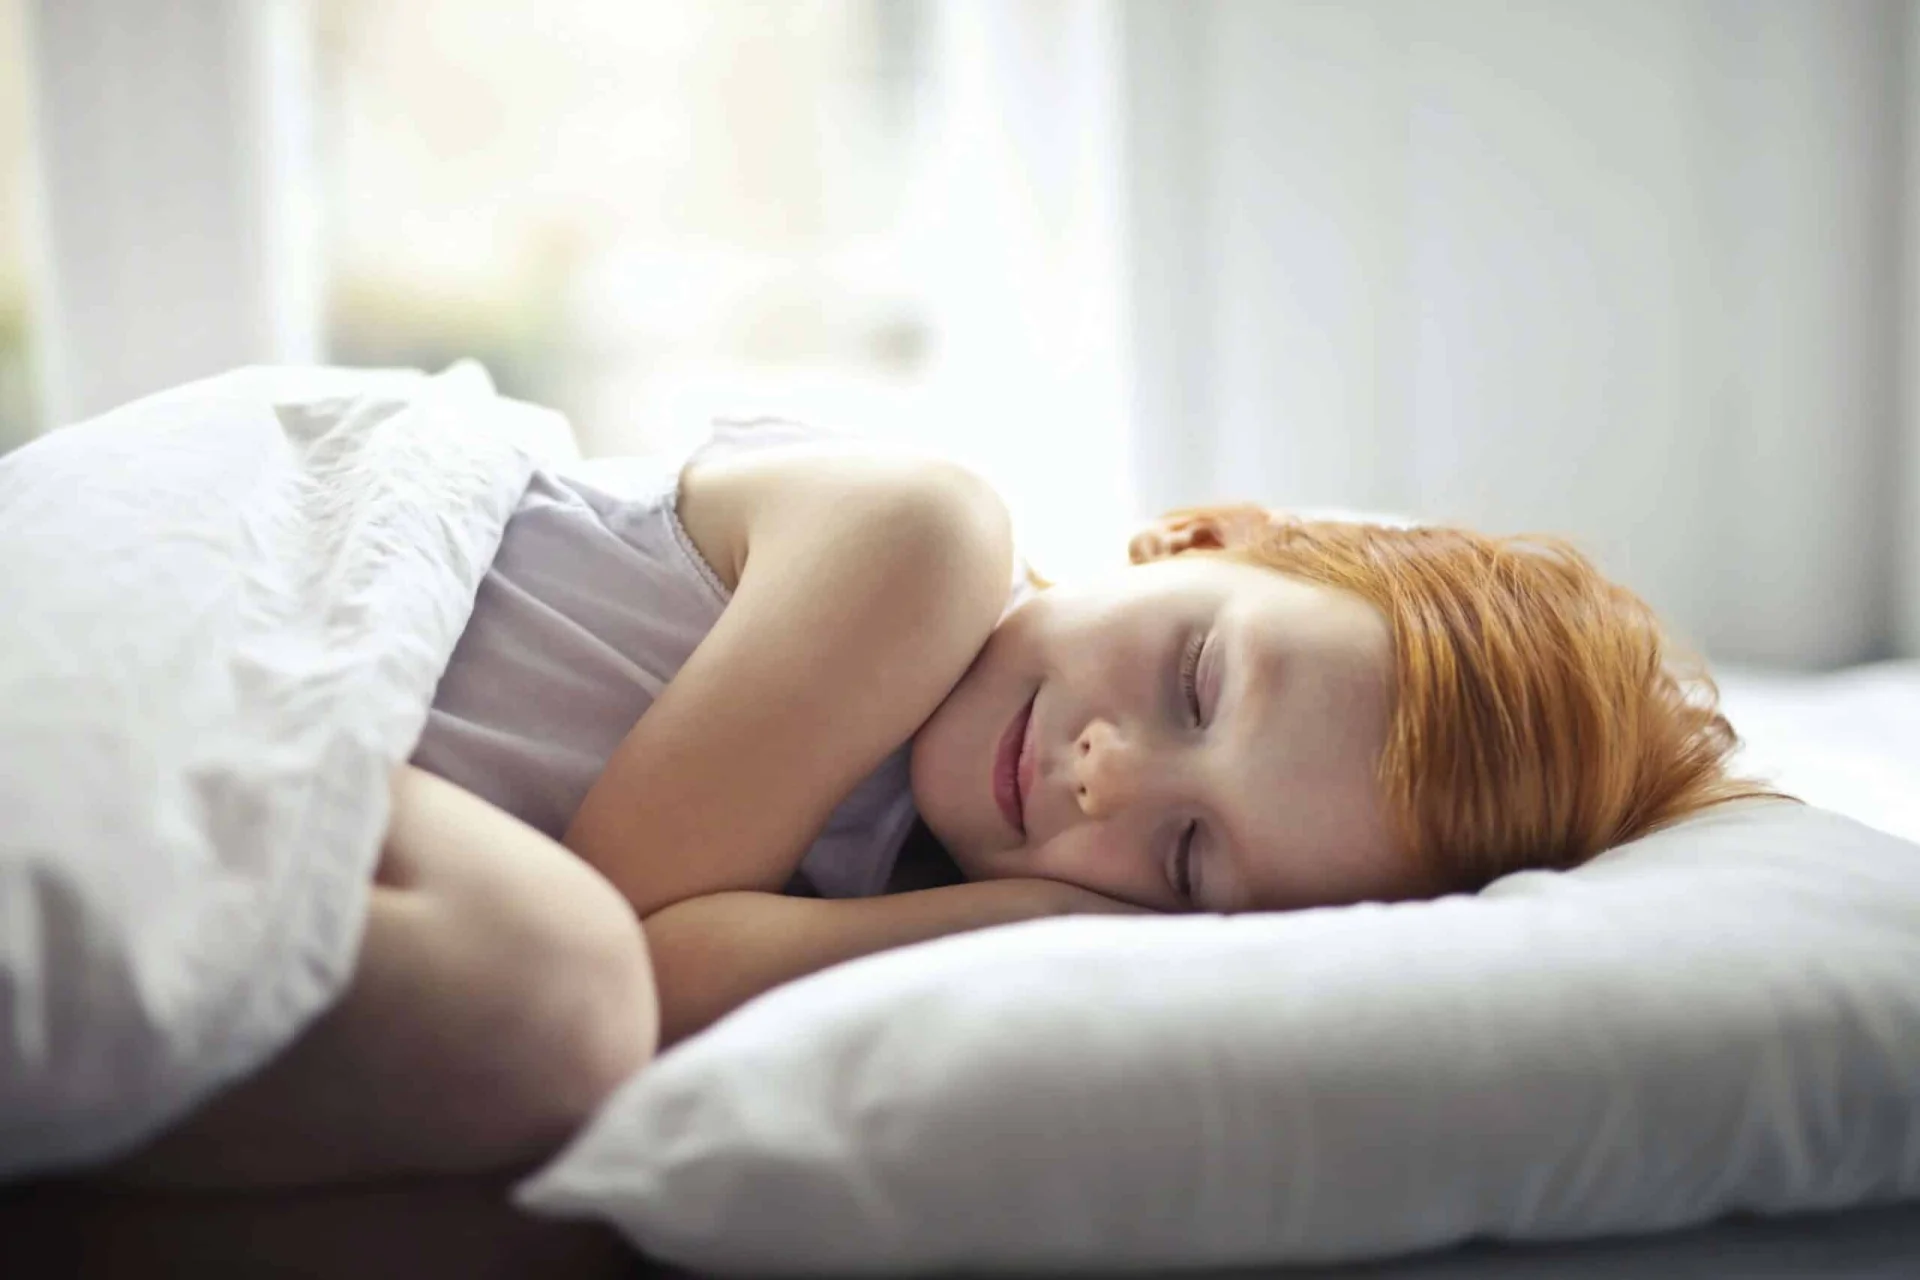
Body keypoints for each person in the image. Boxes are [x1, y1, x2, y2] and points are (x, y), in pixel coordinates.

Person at [93, 417, 1777, 1201]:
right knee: (550, 1004)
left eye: (1187, 862)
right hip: (194, 616)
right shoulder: (924, 543)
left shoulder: (872, 882)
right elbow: (638, 948)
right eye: (1198, 681)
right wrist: (1051, 913)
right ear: (1202, 541)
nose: (1109, 778)